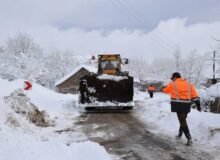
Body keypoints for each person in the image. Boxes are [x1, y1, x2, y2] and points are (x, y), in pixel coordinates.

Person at [163, 72, 201, 145]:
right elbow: (195, 96)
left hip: (178, 104)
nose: (172, 79)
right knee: (183, 120)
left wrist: (164, 88)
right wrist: (198, 105)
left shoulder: (173, 83)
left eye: (172, 78)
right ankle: (180, 135)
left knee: (182, 121)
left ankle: (189, 138)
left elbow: (165, 91)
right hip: (187, 105)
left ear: (175, 77)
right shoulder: (189, 84)